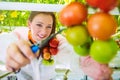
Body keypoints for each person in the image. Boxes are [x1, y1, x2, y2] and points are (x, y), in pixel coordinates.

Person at [0, 11, 113, 80]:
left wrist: (83, 61)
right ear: (29, 24)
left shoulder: (56, 41)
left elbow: (69, 52)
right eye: (39, 25)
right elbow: (5, 41)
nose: (44, 32)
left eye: (49, 26)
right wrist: (9, 49)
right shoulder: (19, 34)